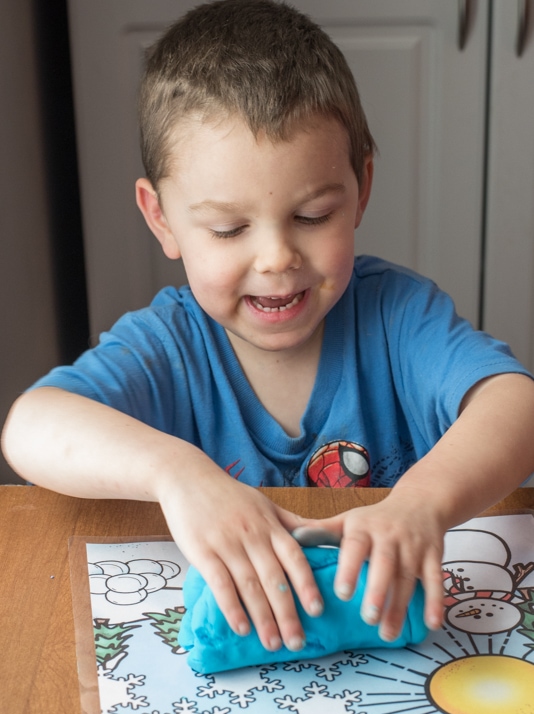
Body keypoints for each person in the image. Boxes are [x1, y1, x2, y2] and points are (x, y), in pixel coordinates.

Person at [3, 0, 534, 655]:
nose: (277, 258)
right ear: (162, 218)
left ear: (361, 185)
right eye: (229, 229)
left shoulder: (397, 318)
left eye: (312, 216)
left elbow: (517, 402)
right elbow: (31, 424)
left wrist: (423, 501)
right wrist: (179, 475)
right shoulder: (170, 347)